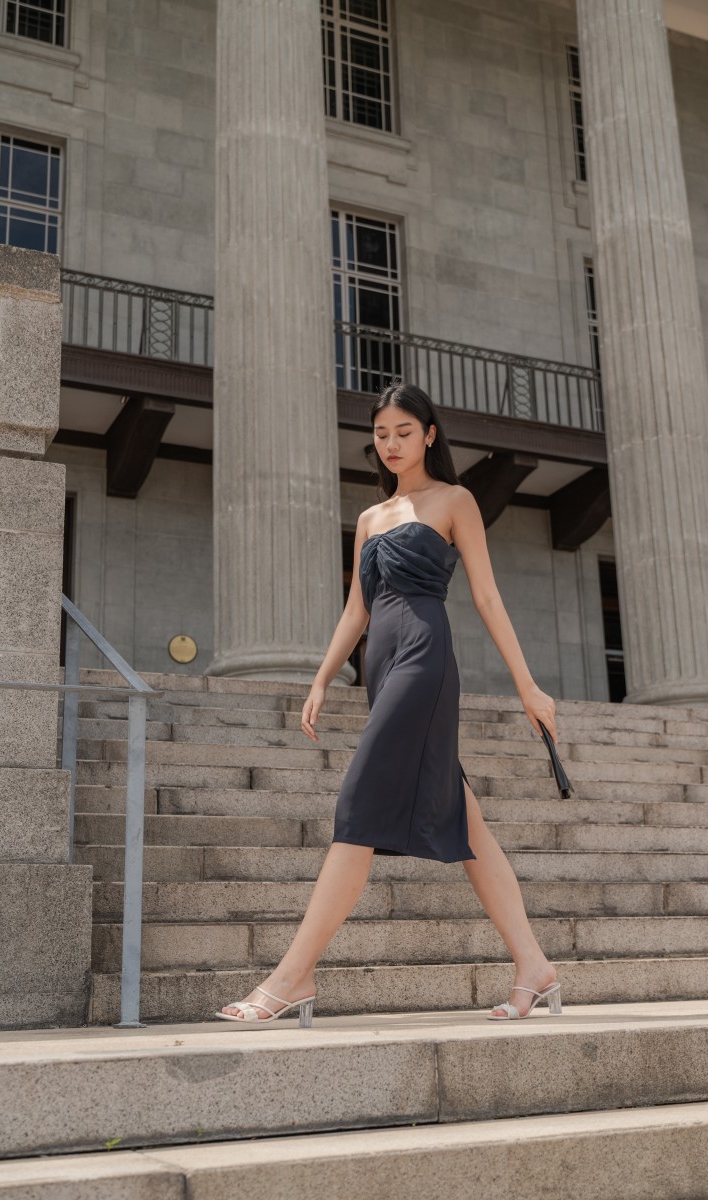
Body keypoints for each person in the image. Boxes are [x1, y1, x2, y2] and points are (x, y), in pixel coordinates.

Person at [216, 382, 560, 1026]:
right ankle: (534, 966)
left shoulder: (455, 501)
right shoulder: (372, 518)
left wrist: (527, 684)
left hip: (426, 663)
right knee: (467, 826)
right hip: (381, 665)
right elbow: (358, 608)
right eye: (381, 434)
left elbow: (487, 598)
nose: (392, 444)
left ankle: (292, 977)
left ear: (429, 434)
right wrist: (322, 679)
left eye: (404, 431)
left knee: (357, 807)